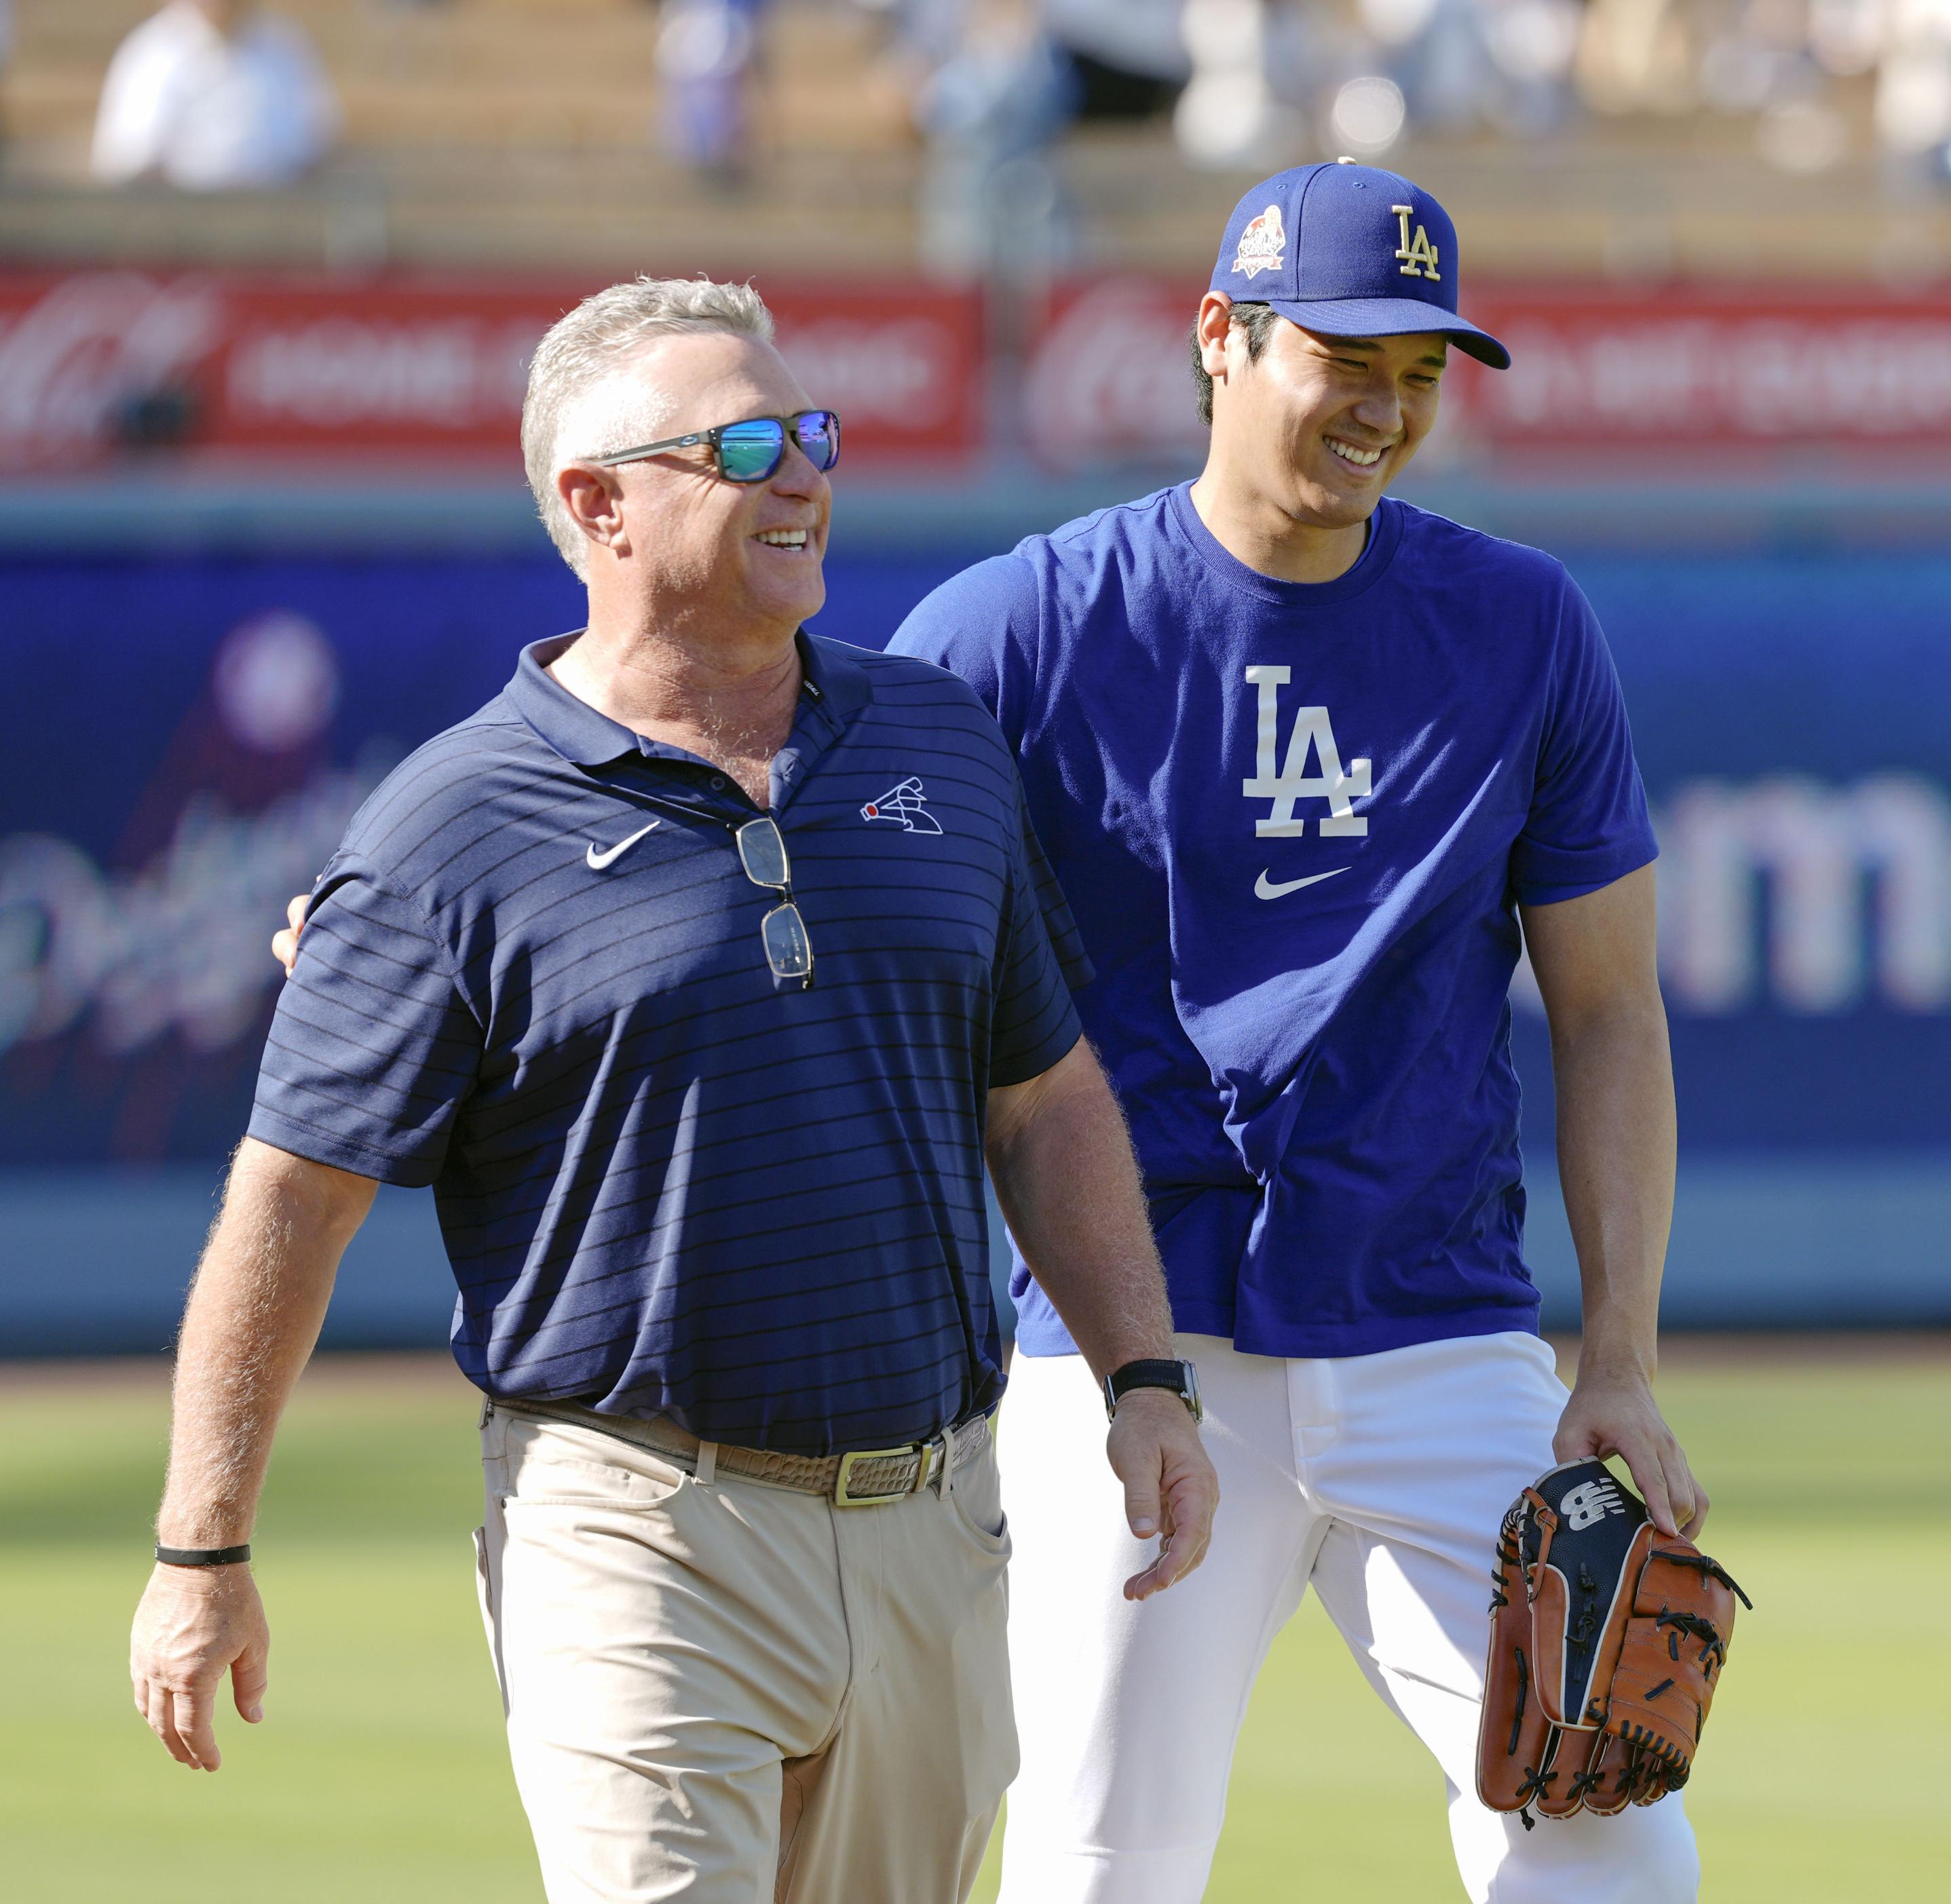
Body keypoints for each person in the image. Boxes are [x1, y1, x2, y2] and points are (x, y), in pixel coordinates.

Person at [128, 275, 1217, 1904]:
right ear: (596, 505)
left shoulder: (933, 736)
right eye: (748, 444)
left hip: (931, 1514)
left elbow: (1043, 1097)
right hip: (634, 1524)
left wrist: (1141, 1368)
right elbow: (294, 1196)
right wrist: (200, 1544)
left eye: (815, 434)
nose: (804, 474)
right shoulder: (447, 824)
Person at [889, 161, 1709, 1903]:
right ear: (1217, 339)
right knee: (1104, 1864)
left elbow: (1606, 1007)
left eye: (1420, 373)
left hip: (1438, 1336)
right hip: (1135, 1350)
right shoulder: (1017, 628)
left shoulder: (1518, 623)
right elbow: (830, 924)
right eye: (1346, 359)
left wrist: (1617, 1351)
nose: (1385, 410)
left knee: (1612, 1841)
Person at [92, 0, 339, 191]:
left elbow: (316, 149)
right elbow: (127, 163)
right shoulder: (151, 54)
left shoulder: (287, 48)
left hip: (275, 231)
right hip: (175, 237)